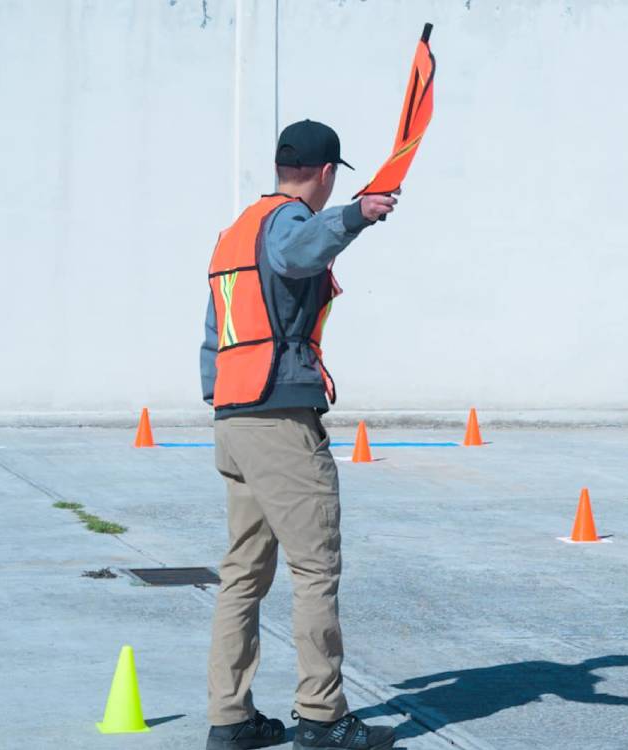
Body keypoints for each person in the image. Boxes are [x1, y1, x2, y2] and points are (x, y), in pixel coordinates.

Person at [201, 119, 398, 750]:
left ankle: (230, 719)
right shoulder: (286, 222)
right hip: (279, 416)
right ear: (326, 173)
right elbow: (297, 253)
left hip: (234, 416)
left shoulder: (235, 231)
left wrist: (224, 401)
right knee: (315, 567)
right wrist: (355, 216)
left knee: (243, 574)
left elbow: (214, 338)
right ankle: (322, 716)